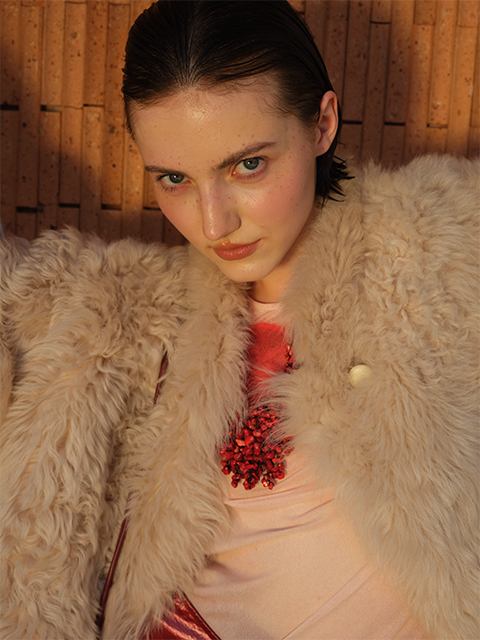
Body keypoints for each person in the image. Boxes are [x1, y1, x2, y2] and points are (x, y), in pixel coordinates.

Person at [1, 1, 478, 639]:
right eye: (174, 179)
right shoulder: (130, 319)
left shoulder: (447, 257)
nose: (213, 222)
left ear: (322, 124)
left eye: (247, 165)